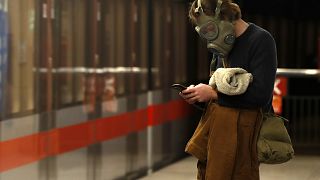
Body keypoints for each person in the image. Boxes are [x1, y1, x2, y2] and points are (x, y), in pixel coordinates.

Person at [180, 0, 277, 179]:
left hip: (244, 138)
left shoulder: (261, 40)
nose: (210, 36)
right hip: (218, 136)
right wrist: (200, 96)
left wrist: (213, 93)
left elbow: (261, 96)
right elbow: (221, 97)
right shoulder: (223, 47)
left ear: (223, 17)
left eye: (210, 29)